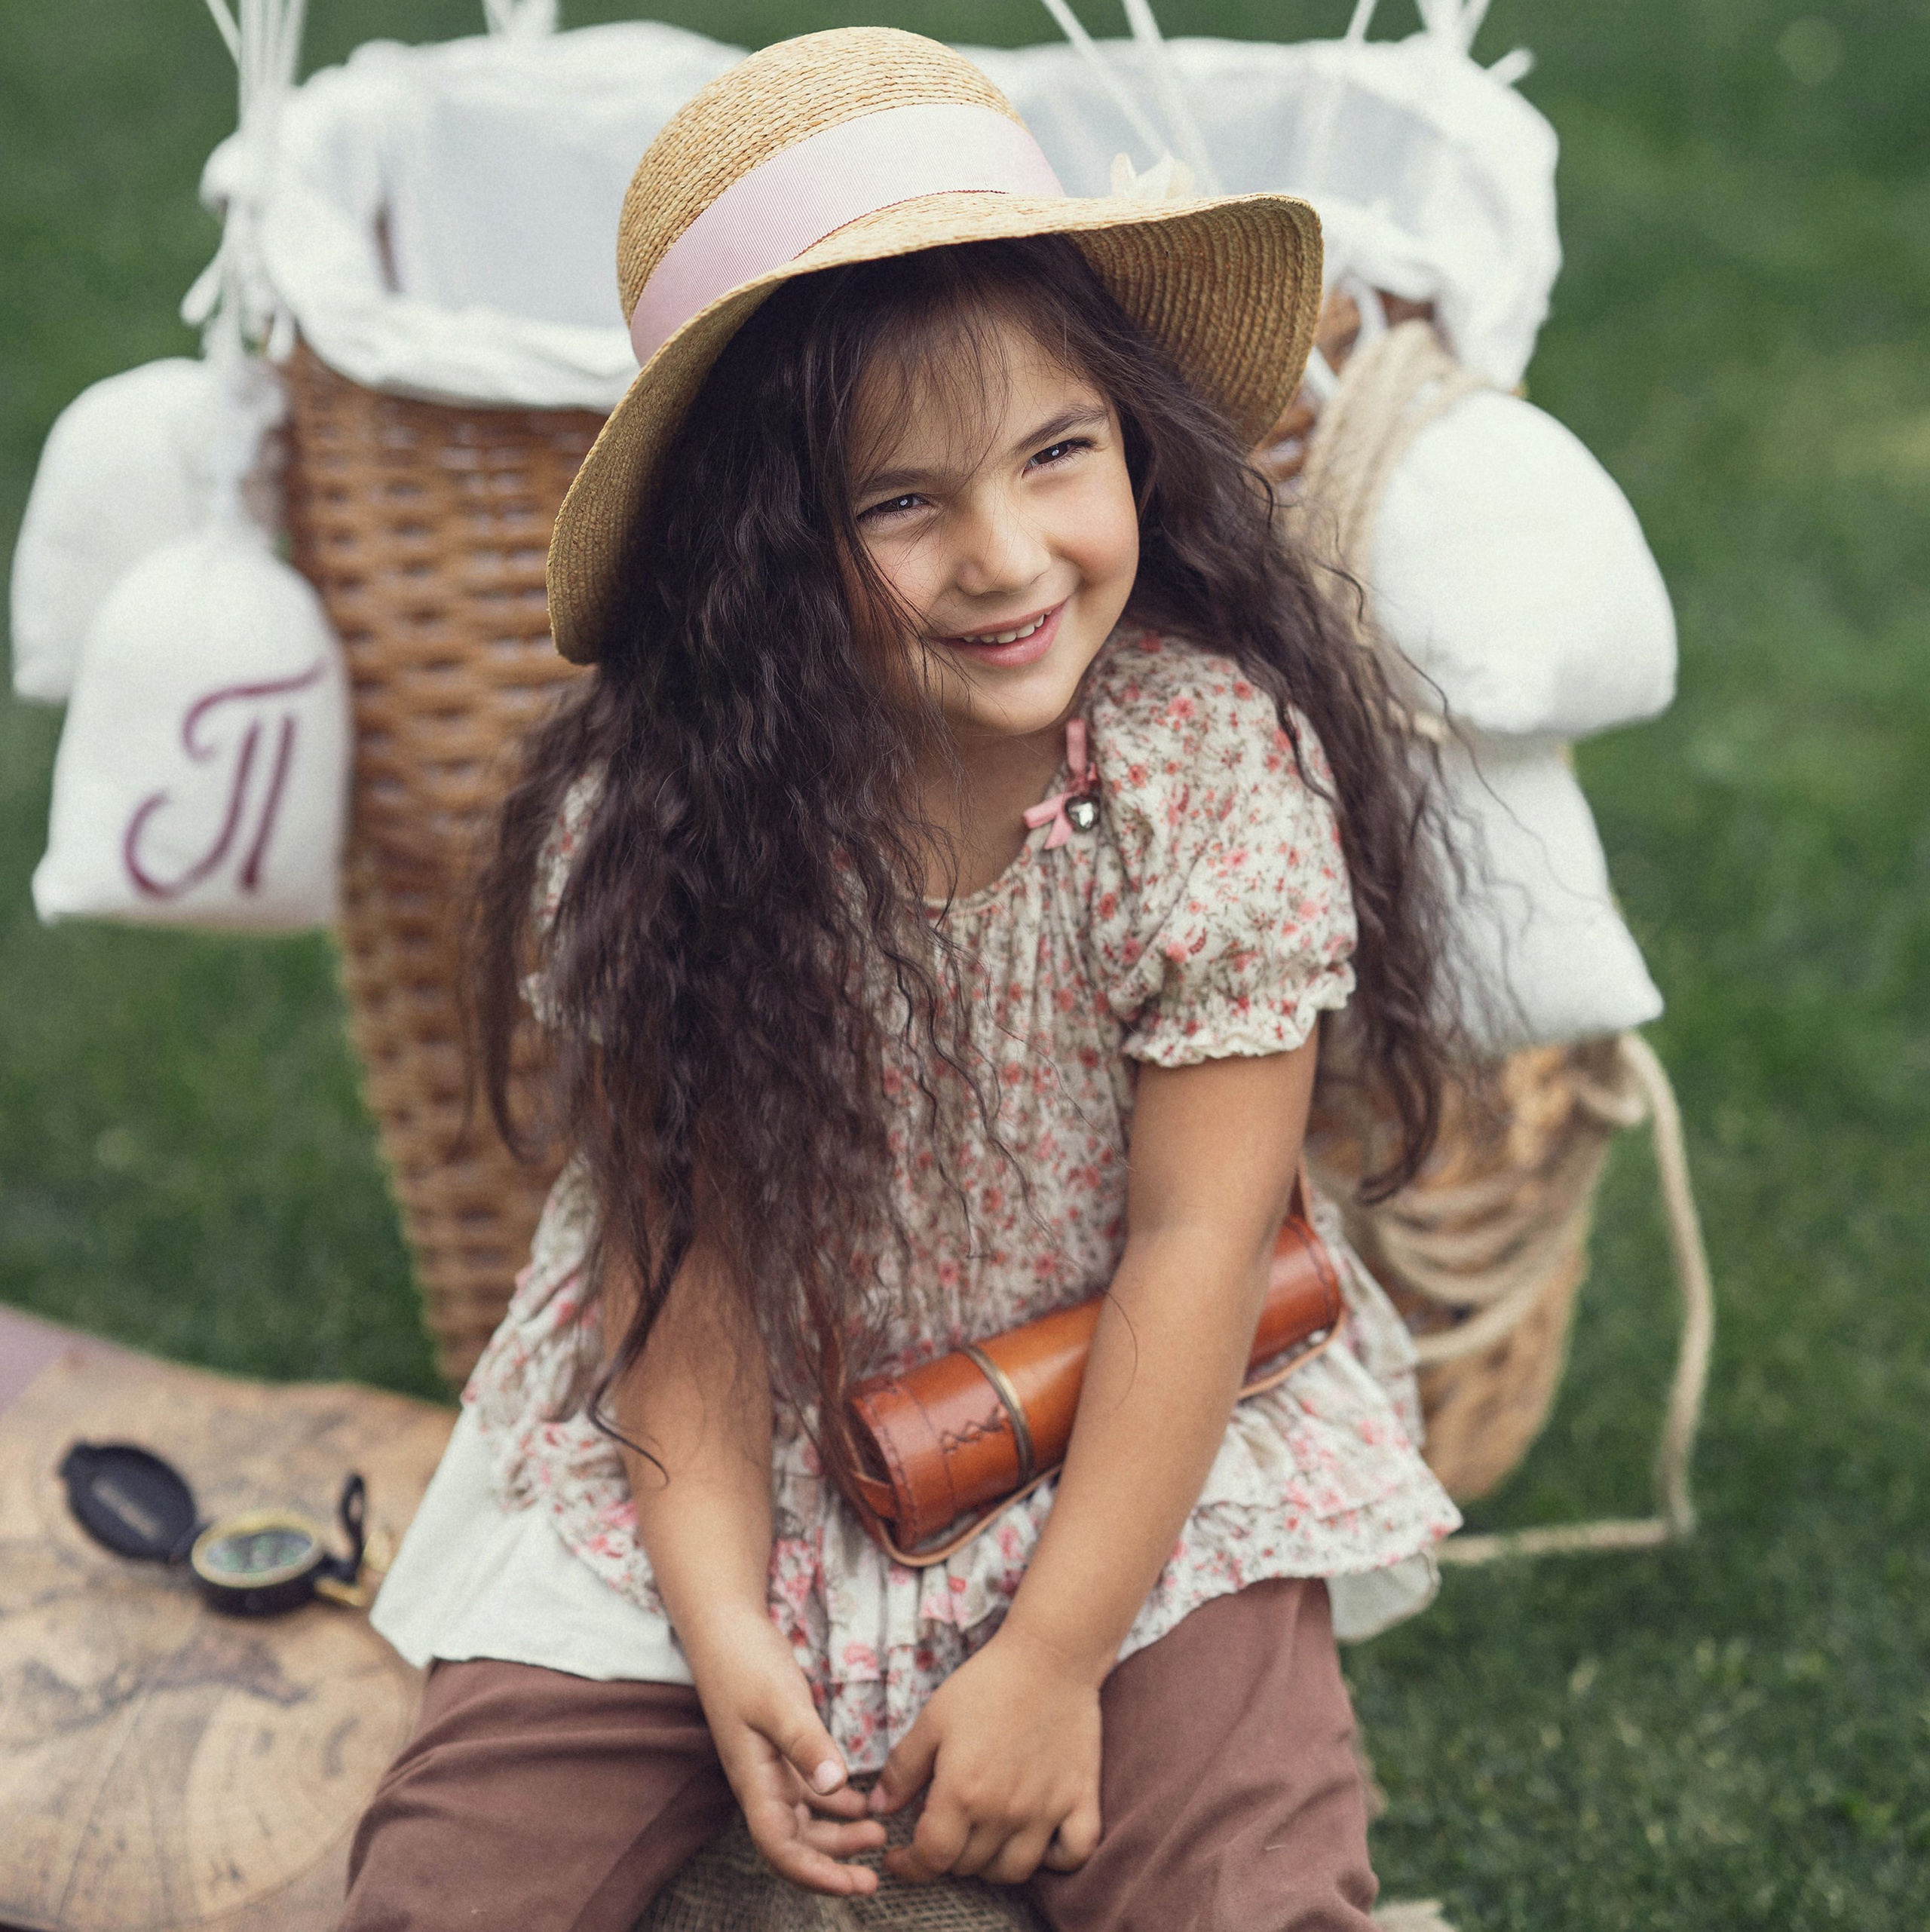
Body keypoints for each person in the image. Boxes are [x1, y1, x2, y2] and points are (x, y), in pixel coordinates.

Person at [344, 28, 1463, 1932]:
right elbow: (686, 1279)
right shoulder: (668, 826)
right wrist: (719, 1627)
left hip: (1121, 1422)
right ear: (757, 546)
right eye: (897, 503)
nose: (1005, 557)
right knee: (449, 1887)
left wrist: (1049, 1660)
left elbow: (1199, 1244)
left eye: (1056, 453)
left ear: (1132, 437)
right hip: (731, 1439)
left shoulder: (1199, 772)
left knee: (1245, 1887)